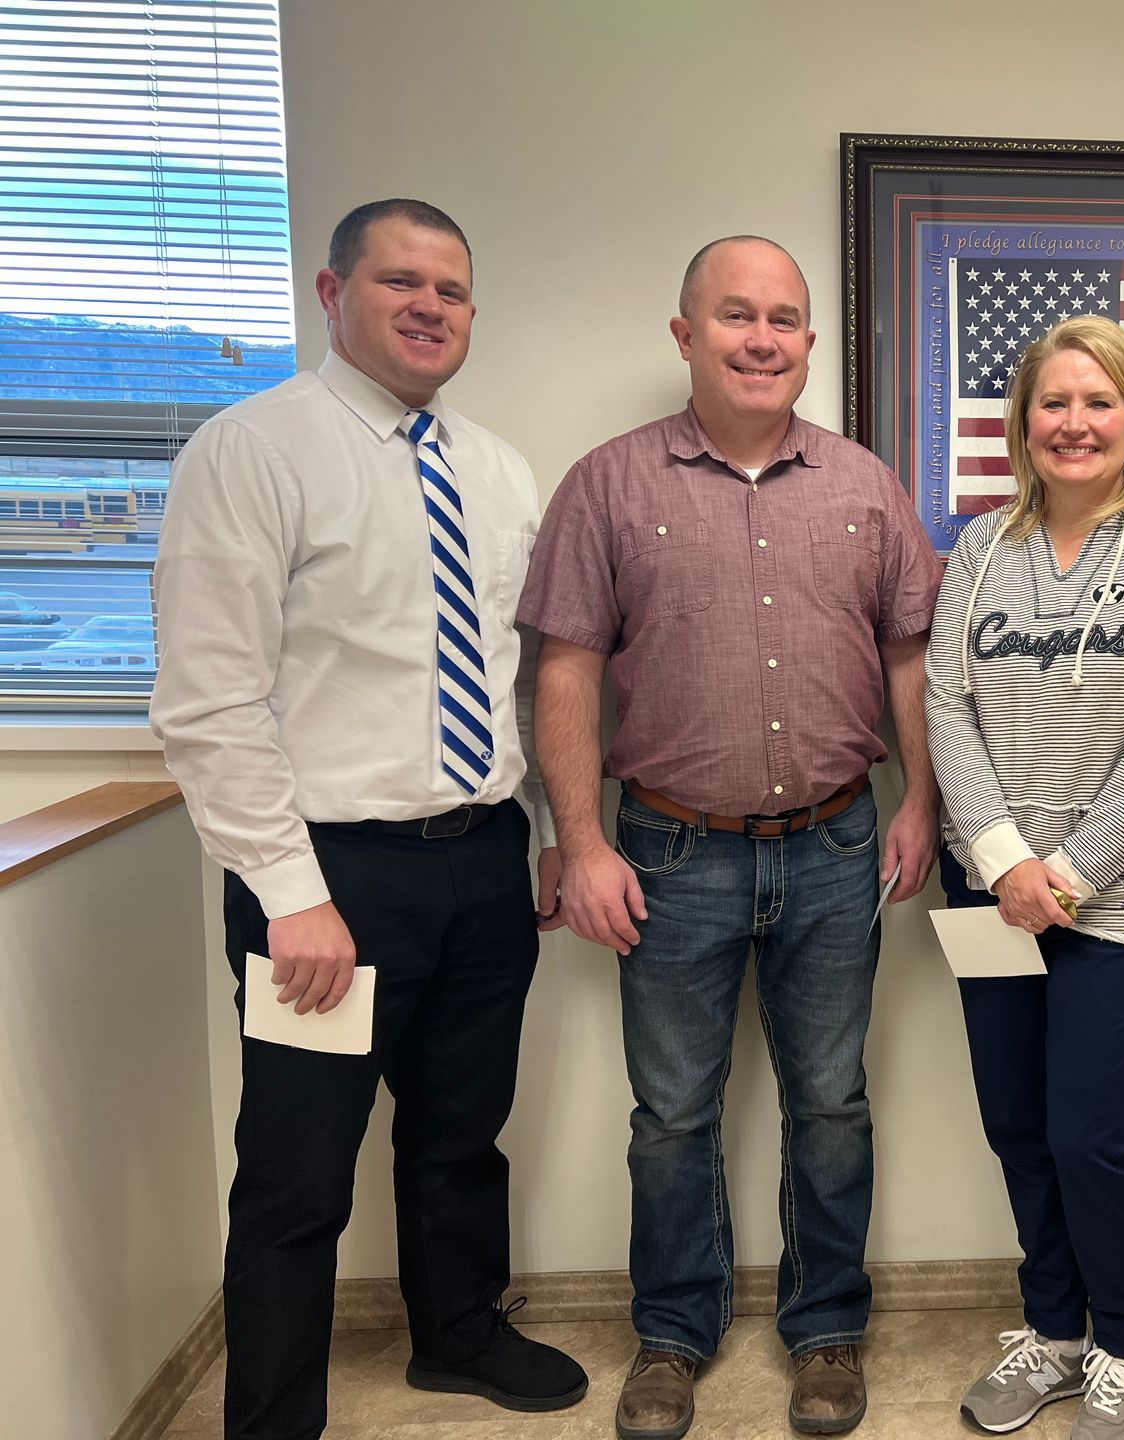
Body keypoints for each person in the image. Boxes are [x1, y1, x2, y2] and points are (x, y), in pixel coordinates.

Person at [151, 199, 587, 1439]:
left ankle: (455, 1337)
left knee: (462, 1135)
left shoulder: (496, 470)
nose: (429, 306)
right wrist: (293, 896)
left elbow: (521, 678)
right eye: (400, 281)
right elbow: (207, 701)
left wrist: (553, 833)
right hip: (332, 875)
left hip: (482, 864)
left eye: (451, 288)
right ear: (332, 295)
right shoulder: (252, 452)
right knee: (298, 1176)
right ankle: (274, 1417)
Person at [520, 235, 944, 1440]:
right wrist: (581, 840)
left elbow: (909, 656)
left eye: (786, 320)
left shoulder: (865, 485)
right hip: (668, 852)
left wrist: (921, 799)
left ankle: (825, 1332)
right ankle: (672, 1335)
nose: (763, 339)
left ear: (812, 341)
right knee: (674, 1116)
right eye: (736, 316)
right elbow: (565, 666)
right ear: (685, 333)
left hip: (835, 845)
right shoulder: (607, 484)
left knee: (831, 1103)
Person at [927, 316, 1124, 1440]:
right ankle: (1053, 1332)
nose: (1075, 423)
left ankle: (1121, 1342)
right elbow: (944, 704)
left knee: (1096, 1135)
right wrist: (1006, 860)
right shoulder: (981, 547)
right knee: (1018, 1121)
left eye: (1099, 401)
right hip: (994, 889)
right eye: (1054, 402)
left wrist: (1068, 870)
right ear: (1023, 421)